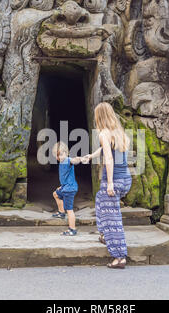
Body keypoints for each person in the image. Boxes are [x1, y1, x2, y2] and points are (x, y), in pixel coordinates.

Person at [83, 102, 132, 269]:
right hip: (125, 179)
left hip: (114, 180)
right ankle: (104, 235)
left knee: (113, 218)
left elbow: (109, 159)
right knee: (99, 200)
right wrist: (91, 156)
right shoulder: (119, 133)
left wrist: (110, 183)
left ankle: (119, 257)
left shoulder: (103, 133)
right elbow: (106, 150)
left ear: (99, 116)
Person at [51, 141, 83, 236]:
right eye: (57, 155)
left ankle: (72, 229)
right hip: (65, 187)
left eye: (62, 154)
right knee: (56, 194)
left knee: (69, 209)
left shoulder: (68, 160)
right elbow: (65, 177)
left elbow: (74, 160)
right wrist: (62, 186)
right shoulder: (61, 162)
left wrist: (78, 159)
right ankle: (61, 212)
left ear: (66, 152)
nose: (60, 157)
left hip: (69, 190)